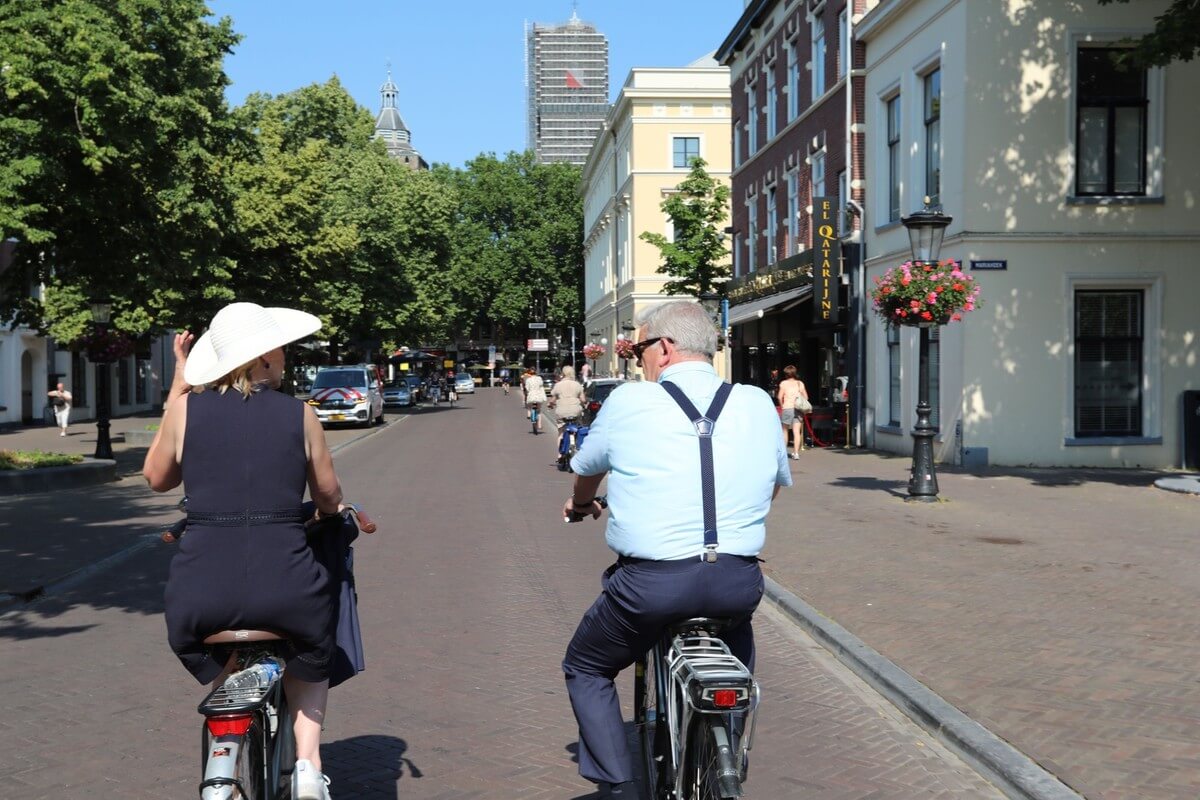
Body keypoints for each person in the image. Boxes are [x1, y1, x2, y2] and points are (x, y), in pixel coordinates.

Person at [560, 301, 791, 795]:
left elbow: (586, 470)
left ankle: (616, 784)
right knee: (734, 646)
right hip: (736, 581)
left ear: (663, 348)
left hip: (651, 587)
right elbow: (773, 482)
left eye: (641, 348)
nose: (639, 359)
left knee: (586, 665)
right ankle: (725, 749)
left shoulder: (629, 400)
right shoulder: (755, 401)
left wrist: (582, 505)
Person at [143, 302, 343, 800]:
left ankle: (222, 760)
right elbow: (329, 498)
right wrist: (328, 512)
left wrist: (178, 386)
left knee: (217, 651)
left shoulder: (186, 410)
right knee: (316, 645)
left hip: (200, 592)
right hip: (286, 587)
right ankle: (308, 766)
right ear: (264, 356)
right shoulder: (301, 414)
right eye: (278, 346)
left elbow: (156, 479)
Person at [549, 365, 586, 456]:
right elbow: (583, 400)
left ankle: (559, 455)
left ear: (563, 374)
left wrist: (550, 404)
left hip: (562, 411)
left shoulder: (558, 385)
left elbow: (553, 399)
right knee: (578, 427)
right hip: (575, 411)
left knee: (561, 432)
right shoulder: (577, 385)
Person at [776, 365, 809, 459]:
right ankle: (796, 453)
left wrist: (782, 406)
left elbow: (779, 397)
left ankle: (784, 452)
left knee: (785, 430)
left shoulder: (783, 383)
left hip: (787, 408)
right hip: (798, 409)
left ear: (786, 374)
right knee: (796, 431)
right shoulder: (800, 383)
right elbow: (806, 397)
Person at [523, 367, 547, 432]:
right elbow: (541, 385)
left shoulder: (528, 380)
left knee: (530, 406)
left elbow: (527, 388)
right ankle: (539, 424)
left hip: (531, 396)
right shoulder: (539, 379)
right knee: (539, 411)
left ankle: (529, 414)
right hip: (538, 396)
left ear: (530, 373)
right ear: (536, 372)